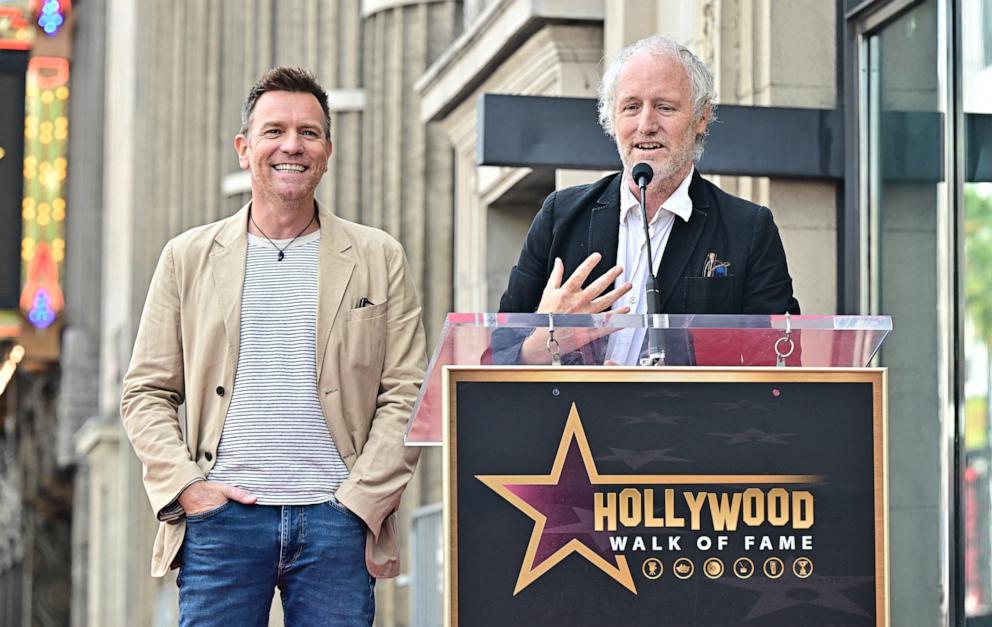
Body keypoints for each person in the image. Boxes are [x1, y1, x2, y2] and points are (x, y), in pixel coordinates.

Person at [120, 67, 426, 626]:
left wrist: (359, 504)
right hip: (222, 526)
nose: (292, 145)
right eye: (274, 131)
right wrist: (189, 489)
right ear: (244, 148)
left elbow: (408, 393)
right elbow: (146, 392)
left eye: (309, 133)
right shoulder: (186, 258)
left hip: (337, 523)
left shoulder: (379, 257)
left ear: (327, 151)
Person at [497, 35, 800, 365]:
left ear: (701, 117)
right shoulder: (560, 216)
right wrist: (545, 342)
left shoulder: (748, 230)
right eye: (630, 107)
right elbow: (492, 359)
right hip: (571, 417)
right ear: (612, 119)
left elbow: (778, 372)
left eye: (664, 107)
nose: (646, 125)